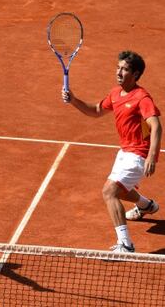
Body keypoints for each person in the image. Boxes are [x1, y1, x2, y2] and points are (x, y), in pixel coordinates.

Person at [61, 50, 162, 253]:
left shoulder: (142, 98)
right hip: (124, 152)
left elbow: (156, 126)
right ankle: (145, 205)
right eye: (118, 67)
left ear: (135, 75)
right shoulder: (116, 93)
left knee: (109, 191)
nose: (119, 72)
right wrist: (74, 100)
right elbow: (96, 111)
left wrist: (152, 155)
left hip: (138, 155)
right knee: (121, 190)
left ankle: (125, 244)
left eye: (124, 69)